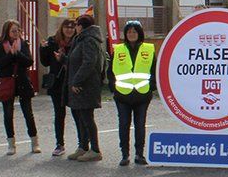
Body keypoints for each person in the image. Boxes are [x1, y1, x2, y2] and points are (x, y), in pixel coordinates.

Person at [109, 20, 156, 166]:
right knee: (123, 124)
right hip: (122, 95)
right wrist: (113, 89)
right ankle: (124, 154)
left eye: (134, 31)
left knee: (140, 125)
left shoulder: (148, 49)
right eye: (129, 32)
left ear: (139, 33)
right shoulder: (118, 49)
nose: (131, 34)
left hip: (142, 94)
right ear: (125, 34)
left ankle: (139, 154)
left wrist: (151, 87)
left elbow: (154, 69)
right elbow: (110, 71)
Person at [0, 19, 38, 155]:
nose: (16, 33)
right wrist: (9, 55)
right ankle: (11, 144)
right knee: (8, 114)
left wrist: (17, 53)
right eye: (13, 31)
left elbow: (29, 61)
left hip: (22, 82)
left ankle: (34, 142)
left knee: (28, 113)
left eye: (18, 30)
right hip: (6, 83)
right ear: (7, 31)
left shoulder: (23, 44)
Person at [65, 13, 105, 162]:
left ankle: (95, 149)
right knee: (80, 117)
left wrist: (77, 81)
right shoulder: (80, 39)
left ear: (81, 26)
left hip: (86, 86)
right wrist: (63, 59)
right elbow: (76, 59)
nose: (75, 27)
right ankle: (83, 146)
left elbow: (89, 62)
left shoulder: (89, 40)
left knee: (87, 118)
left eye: (76, 25)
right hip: (79, 85)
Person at [39, 18, 76, 156]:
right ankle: (59, 144)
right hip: (57, 83)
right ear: (62, 28)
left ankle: (83, 144)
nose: (69, 30)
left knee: (77, 113)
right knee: (59, 114)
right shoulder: (53, 41)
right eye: (67, 27)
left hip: (72, 82)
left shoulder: (77, 42)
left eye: (72, 28)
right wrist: (42, 49)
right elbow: (45, 62)